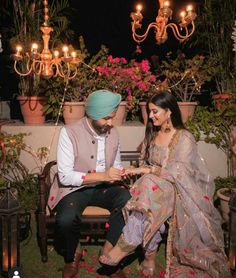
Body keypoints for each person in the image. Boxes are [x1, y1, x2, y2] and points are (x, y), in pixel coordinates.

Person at [99, 92, 230, 278]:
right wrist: (140, 171)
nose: (150, 116)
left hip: (179, 191)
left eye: (154, 111)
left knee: (150, 188)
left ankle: (126, 244)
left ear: (169, 111)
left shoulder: (184, 138)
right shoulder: (152, 133)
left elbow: (180, 174)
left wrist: (148, 172)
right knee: (150, 197)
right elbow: (145, 163)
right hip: (152, 193)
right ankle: (149, 259)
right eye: (149, 112)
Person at [48, 90, 131, 278]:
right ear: (92, 114)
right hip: (75, 188)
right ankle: (73, 255)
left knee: (128, 200)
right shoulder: (69, 133)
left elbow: (116, 163)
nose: (111, 123)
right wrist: (103, 175)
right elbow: (65, 177)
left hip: (104, 188)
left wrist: (120, 172)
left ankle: (108, 253)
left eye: (112, 117)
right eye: (106, 118)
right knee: (66, 219)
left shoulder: (113, 132)